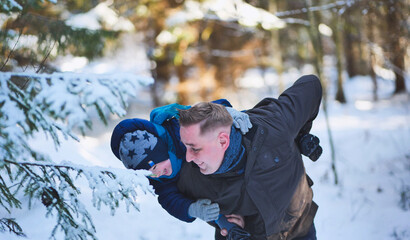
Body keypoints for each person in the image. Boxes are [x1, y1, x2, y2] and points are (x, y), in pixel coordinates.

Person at [176, 74, 322, 240]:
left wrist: (299, 136)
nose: (188, 157)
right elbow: (172, 194)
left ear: (223, 141)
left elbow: (311, 84)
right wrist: (223, 222)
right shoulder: (191, 175)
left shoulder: (274, 125)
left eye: (194, 148)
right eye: (186, 146)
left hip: (300, 229)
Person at [110, 100, 254, 230]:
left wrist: (228, 115)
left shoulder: (179, 130)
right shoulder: (159, 178)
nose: (157, 174)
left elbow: (209, 110)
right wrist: (192, 209)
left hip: (240, 163)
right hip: (221, 196)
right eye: (149, 173)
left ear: (163, 151)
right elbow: (168, 199)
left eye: (154, 167)